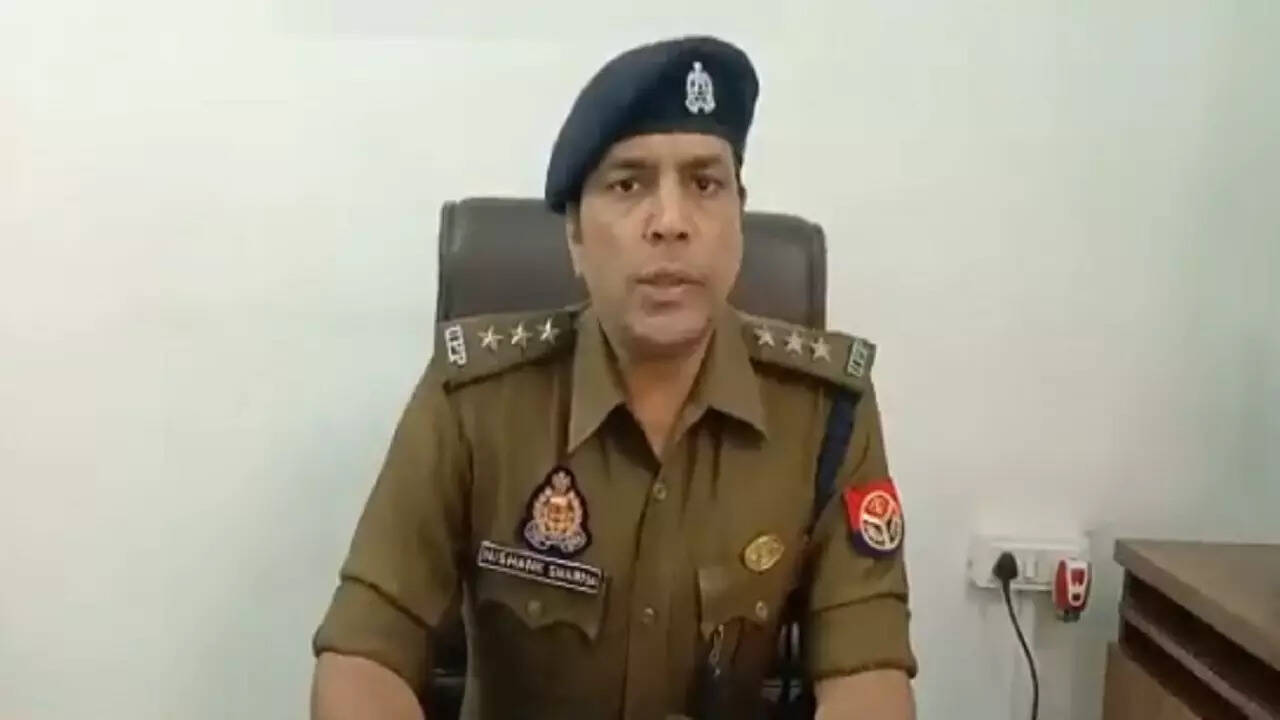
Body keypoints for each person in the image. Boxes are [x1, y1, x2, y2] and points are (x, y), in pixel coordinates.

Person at [310, 35, 916, 720]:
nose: (671, 223)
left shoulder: (827, 414)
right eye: (629, 184)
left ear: (738, 219)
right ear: (574, 233)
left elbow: (870, 679)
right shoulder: (473, 400)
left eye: (705, 184)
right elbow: (362, 656)